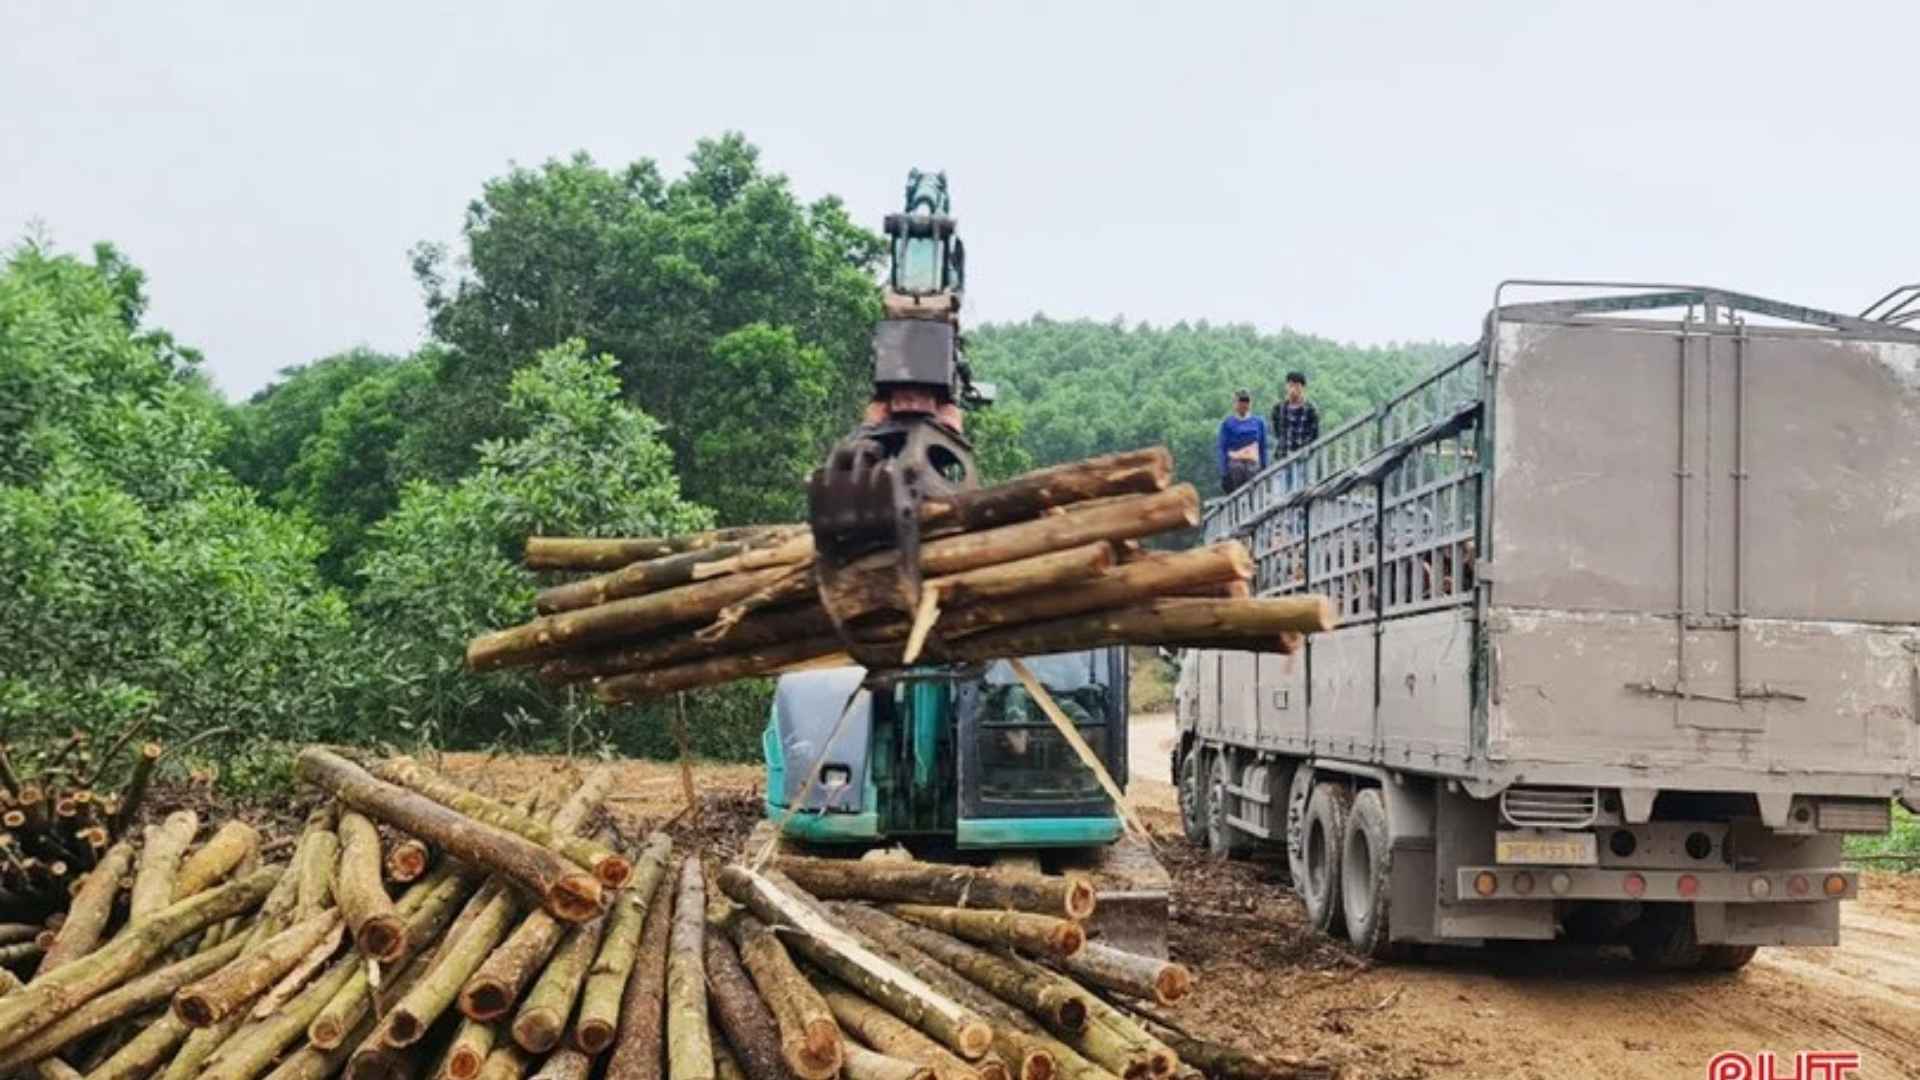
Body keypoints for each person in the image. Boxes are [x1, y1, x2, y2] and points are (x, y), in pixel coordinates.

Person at [1217, 389, 1268, 494]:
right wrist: (1224, 472)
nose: (1243, 404)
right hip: (1235, 461)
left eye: (1246, 401)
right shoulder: (1228, 423)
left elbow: (1263, 446)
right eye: (1240, 401)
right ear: (1235, 403)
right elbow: (1223, 448)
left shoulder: (1258, 422)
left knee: (1252, 472)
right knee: (1237, 470)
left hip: (1253, 460)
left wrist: (1264, 465)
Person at [1271, 371, 1320, 457]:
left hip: (1303, 458)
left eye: (1297, 386)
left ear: (1303, 388)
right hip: (1283, 456)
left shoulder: (1311, 409)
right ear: (1286, 387)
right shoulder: (1278, 408)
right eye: (1291, 385)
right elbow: (1277, 432)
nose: (1293, 389)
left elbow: (1314, 434)